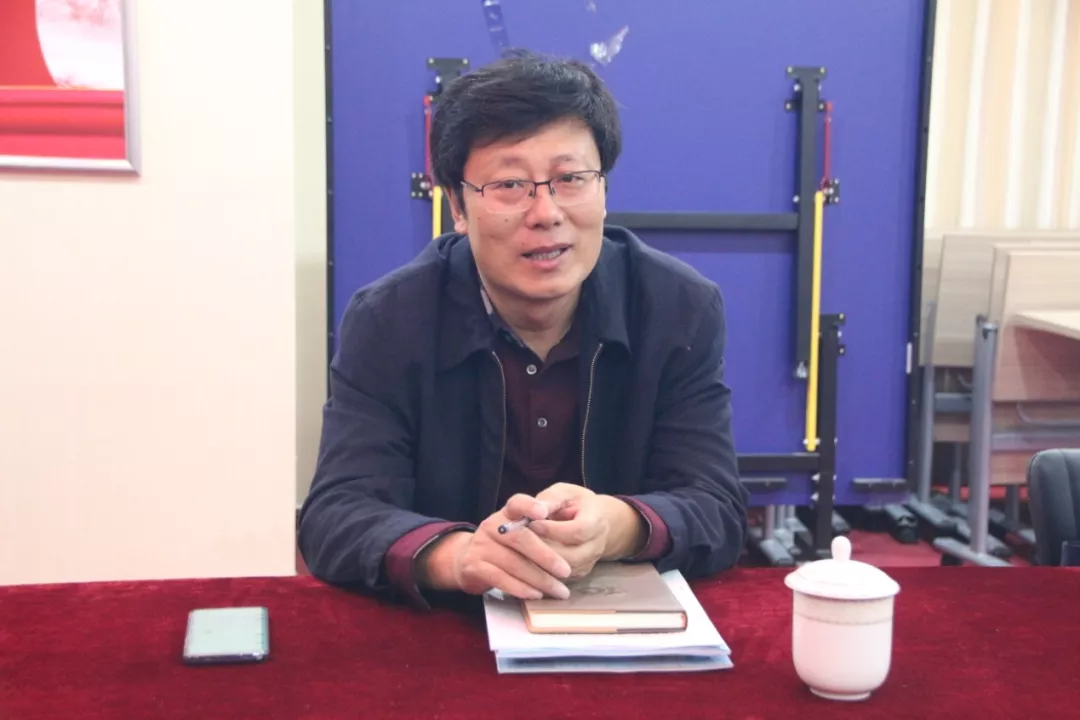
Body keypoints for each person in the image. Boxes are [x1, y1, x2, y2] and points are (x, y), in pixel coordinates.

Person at [298, 50, 748, 608]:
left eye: (571, 178)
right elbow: (336, 514)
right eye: (510, 184)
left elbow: (717, 505)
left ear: (604, 190)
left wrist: (616, 524)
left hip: (619, 633)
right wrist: (458, 556)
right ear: (457, 207)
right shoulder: (390, 320)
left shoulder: (677, 308)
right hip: (450, 628)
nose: (546, 213)